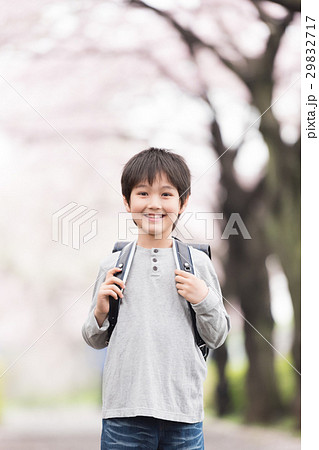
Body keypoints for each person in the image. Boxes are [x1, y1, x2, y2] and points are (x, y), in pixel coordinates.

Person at [82, 147, 230, 449]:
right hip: (123, 414)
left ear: (183, 202)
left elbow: (217, 335)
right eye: (142, 194)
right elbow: (94, 339)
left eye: (166, 194)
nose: (154, 204)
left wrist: (203, 298)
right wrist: (99, 311)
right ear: (127, 202)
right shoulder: (113, 266)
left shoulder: (197, 264)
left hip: (183, 414)